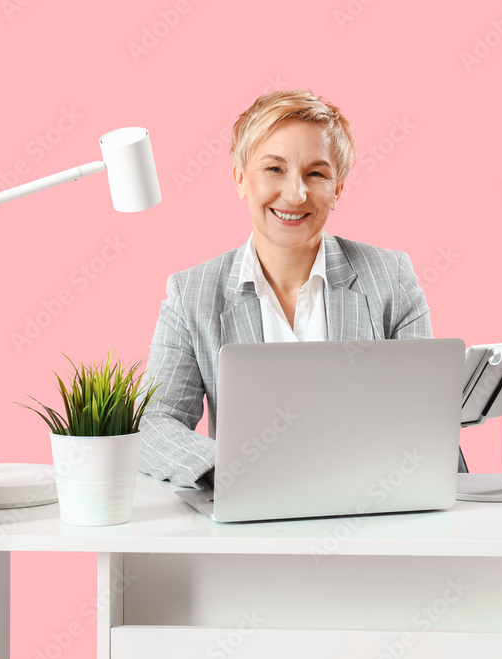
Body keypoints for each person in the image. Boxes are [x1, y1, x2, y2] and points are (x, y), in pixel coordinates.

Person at [140, 89, 440, 489]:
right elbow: (154, 424)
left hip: (370, 512)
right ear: (240, 178)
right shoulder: (191, 294)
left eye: (316, 173)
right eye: (274, 169)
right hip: (249, 514)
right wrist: (232, 469)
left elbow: (423, 413)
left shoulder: (391, 278)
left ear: (337, 189)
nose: (295, 193)